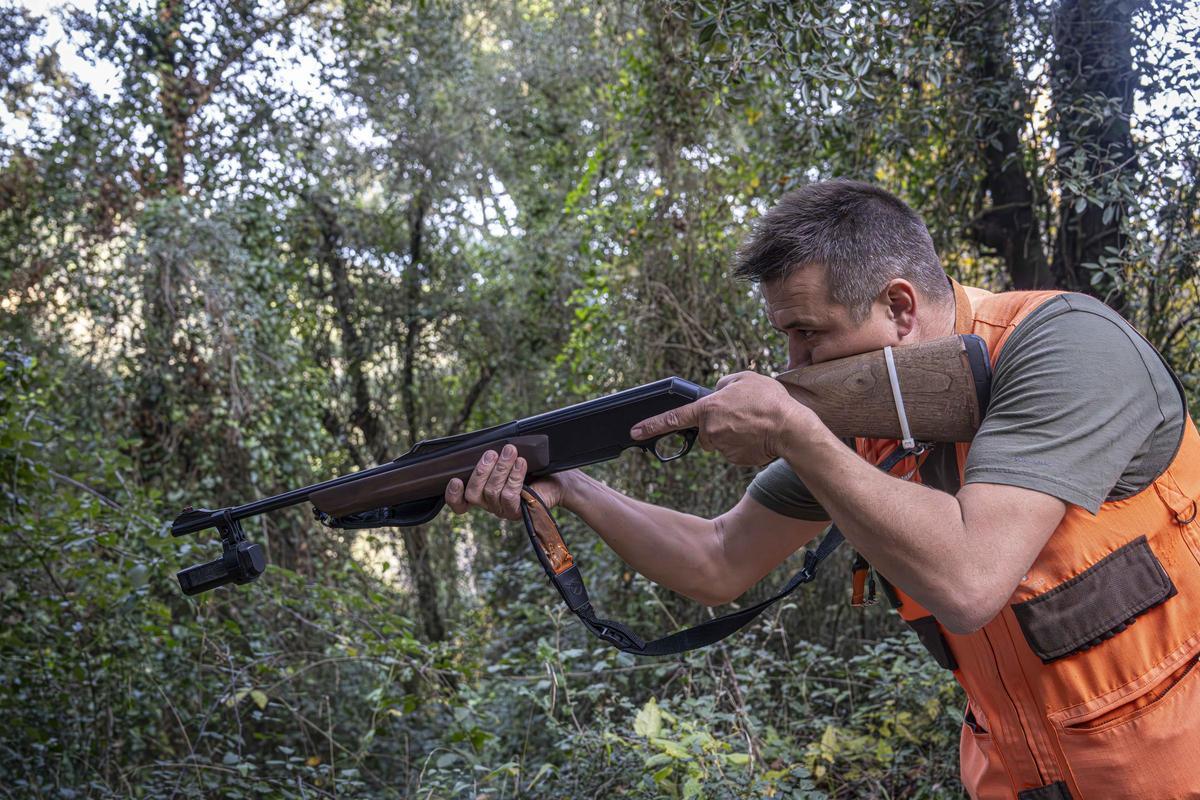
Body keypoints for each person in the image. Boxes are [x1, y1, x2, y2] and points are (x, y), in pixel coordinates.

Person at [444, 180, 1200, 800]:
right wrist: (573, 490)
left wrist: (794, 433)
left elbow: (971, 580)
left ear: (900, 308)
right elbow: (717, 559)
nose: (794, 364)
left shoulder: (1067, 345)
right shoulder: (864, 420)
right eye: (786, 340)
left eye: (809, 335)